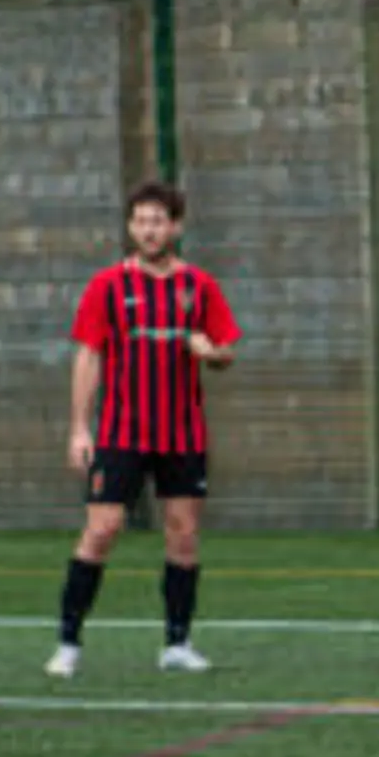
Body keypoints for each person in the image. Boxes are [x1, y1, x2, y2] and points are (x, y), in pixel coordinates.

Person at [47, 181, 241, 679]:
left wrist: (212, 353)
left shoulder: (199, 286)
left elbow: (226, 350)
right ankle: (68, 643)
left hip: (183, 436)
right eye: (140, 221)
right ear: (131, 226)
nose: (149, 230)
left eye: (158, 221)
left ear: (176, 226)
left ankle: (177, 643)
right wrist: (78, 428)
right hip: (120, 434)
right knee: (102, 530)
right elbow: (88, 355)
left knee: (183, 535)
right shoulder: (108, 286)